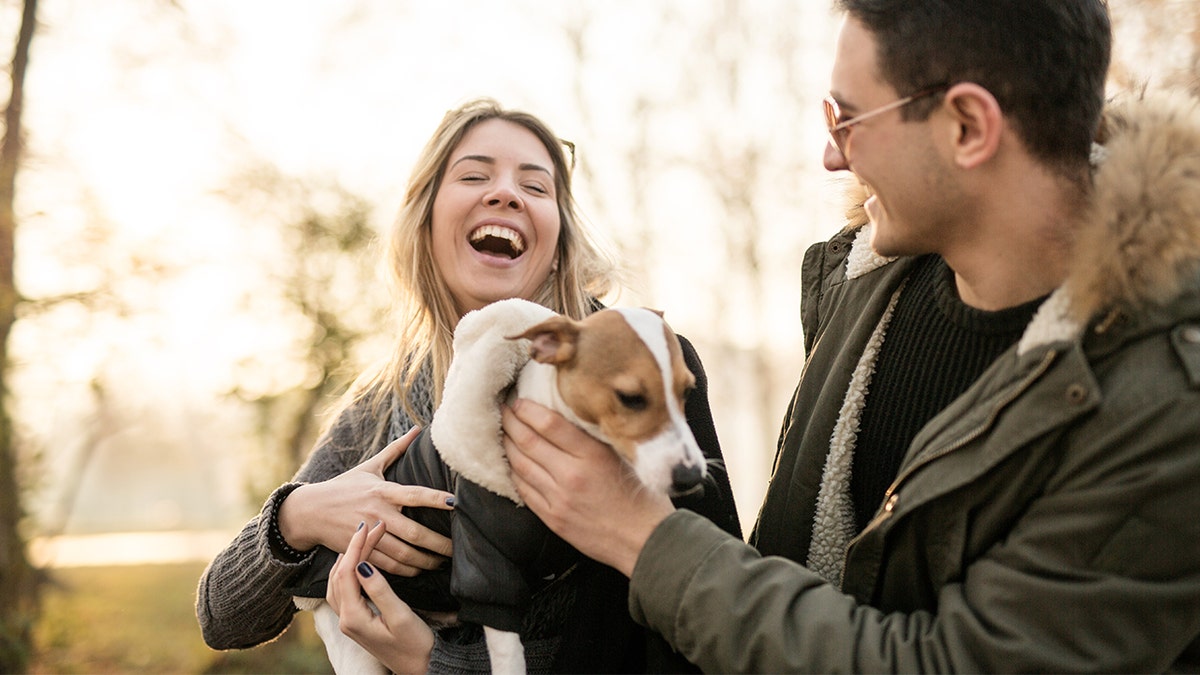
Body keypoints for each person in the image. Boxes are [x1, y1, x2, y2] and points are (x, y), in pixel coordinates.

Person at [502, 1, 1200, 671]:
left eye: (848, 117)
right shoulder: (860, 285)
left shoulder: (1166, 406)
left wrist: (643, 538)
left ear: (966, 126)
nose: (831, 155)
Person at [196, 98, 742, 673]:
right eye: (475, 175)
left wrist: (433, 663)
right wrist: (296, 517)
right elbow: (221, 618)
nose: (505, 193)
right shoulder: (387, 398)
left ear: (560, 235)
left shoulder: (642, 364)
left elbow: (700, 629)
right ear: (425, 217)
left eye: (536, 186)